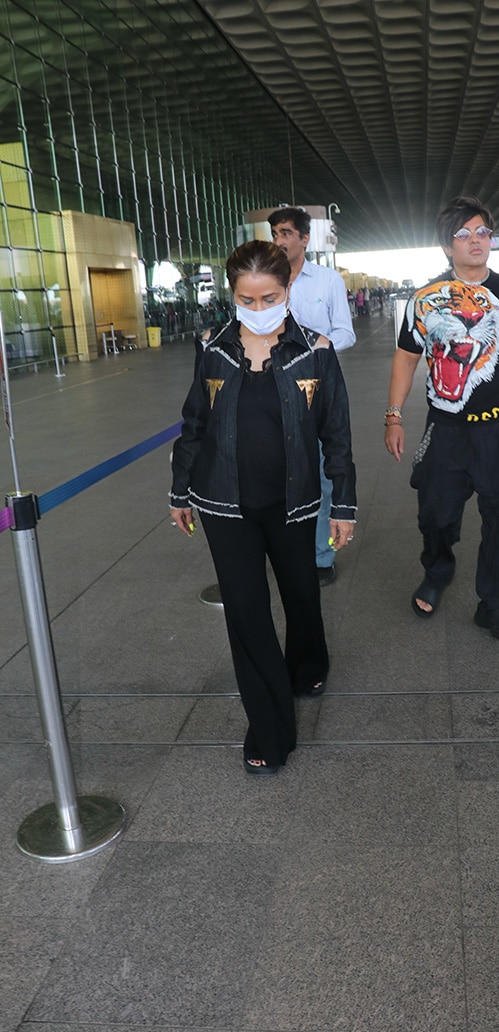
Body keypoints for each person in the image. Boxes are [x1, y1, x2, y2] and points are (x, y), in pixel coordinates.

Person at [169, 241, 357, 774]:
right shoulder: (212, 346)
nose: (257, 309)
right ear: (232, 295)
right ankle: (269, 727)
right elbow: (194, 424)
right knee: (247, 612)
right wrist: (180, 490)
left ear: (288, 290)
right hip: (223, 503)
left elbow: (336, 434)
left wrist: (343, 504)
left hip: (294, 503)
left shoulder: (315, 351)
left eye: (268, 297)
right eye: (246, 300)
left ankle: (309, 662)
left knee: (300, 592)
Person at [384, 195, 499, 642]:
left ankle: (493, 602)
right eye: (463, 234)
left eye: (482, 232)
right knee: (435, 514)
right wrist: (393, 416)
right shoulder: (425, 298)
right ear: (446, 245)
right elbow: (405, 358)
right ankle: (437, 572)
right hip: (446, 428)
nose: (475, 241)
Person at [268, 206, 356, 586]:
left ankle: (321, 557)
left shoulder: (327, 281)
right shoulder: (264, 278)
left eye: (287, 233)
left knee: (321, 474)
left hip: (316, 389)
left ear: (305, 239)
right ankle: (281, 548)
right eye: (275, 233)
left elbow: (346, 332)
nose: (279, 240)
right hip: (270, 389)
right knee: (276, 472)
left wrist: (317, 350)